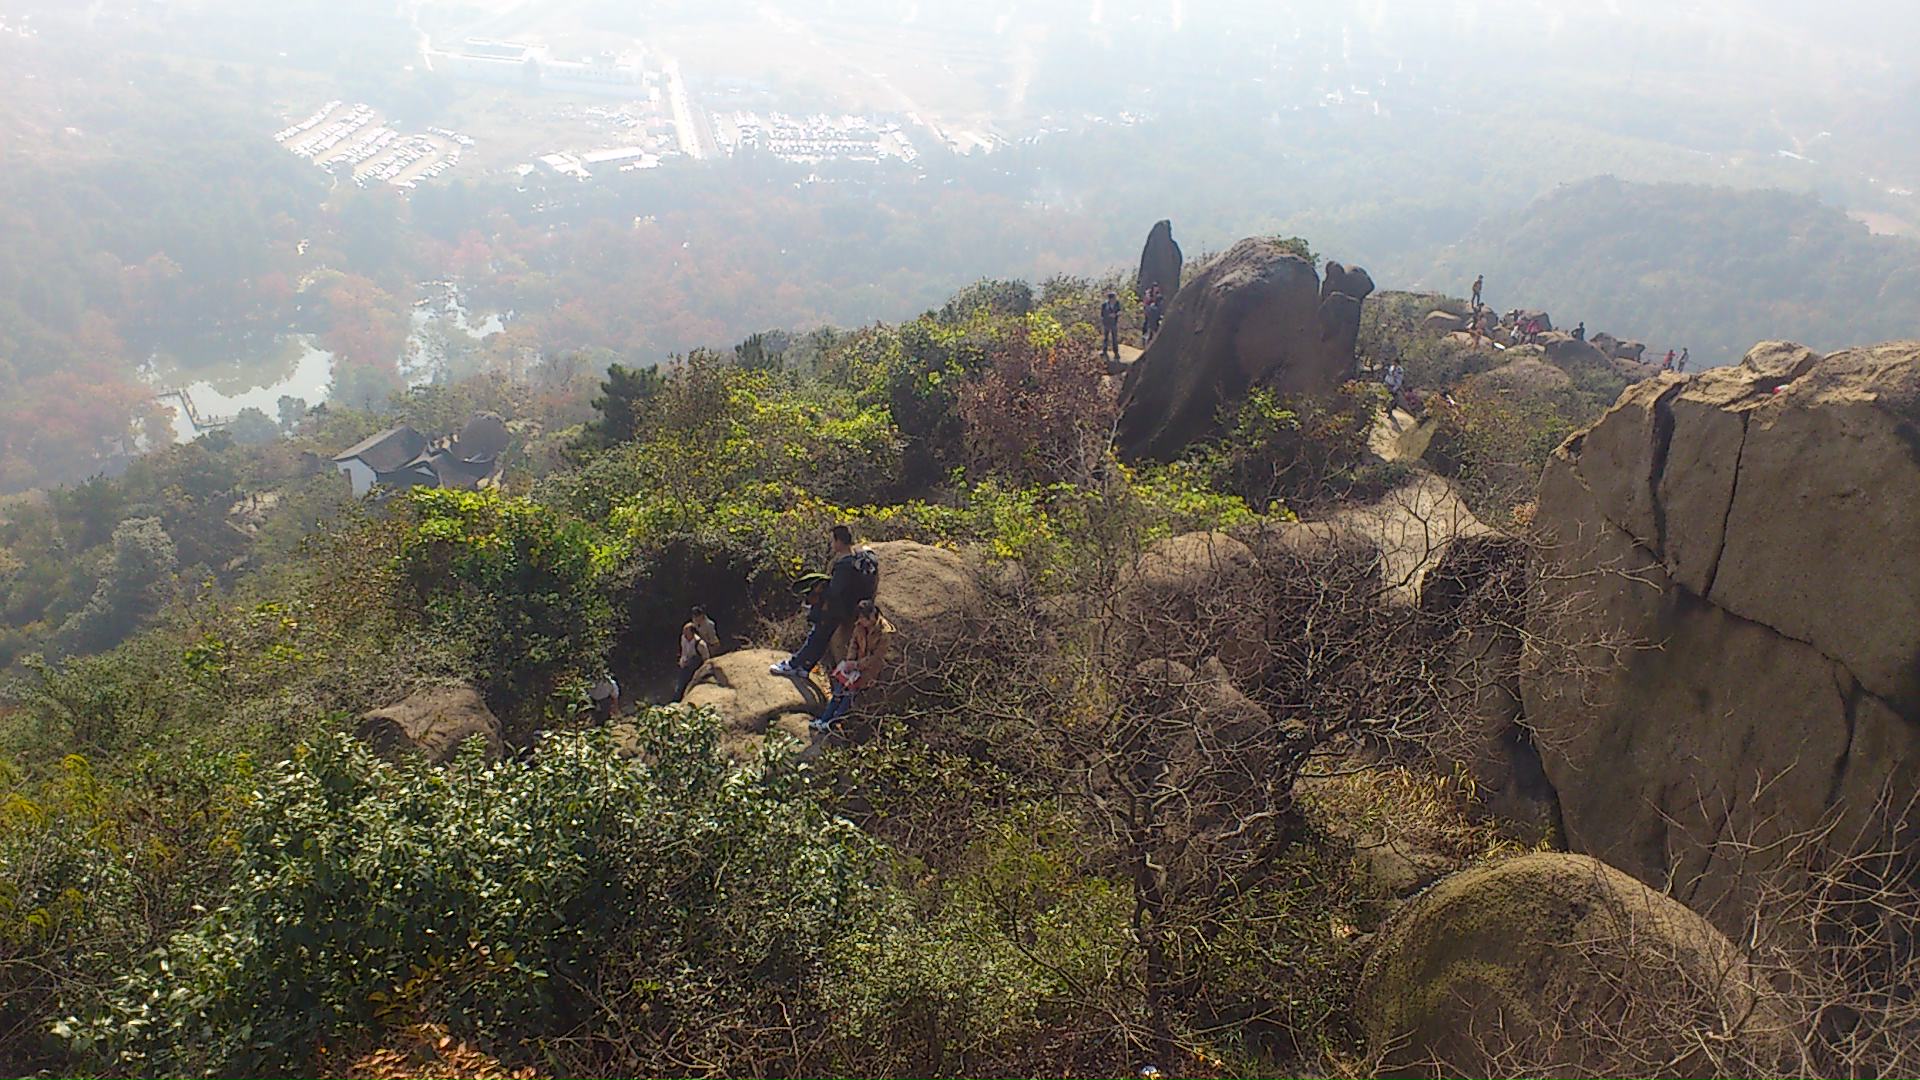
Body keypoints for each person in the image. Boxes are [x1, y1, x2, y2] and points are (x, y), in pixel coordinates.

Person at [771, 525, 879, 678]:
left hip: (835, 609)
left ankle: (793, 665)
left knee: (816, 636)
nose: (832, 545)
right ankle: (805, 668)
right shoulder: (856, 559)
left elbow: (835, 591)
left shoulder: (844, 565)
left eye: (833, 541)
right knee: (822, 639)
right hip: (847, 609)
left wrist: (820, 591)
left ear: (839, 541)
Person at [812, 599, 892, 733]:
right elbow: (853, 643)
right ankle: (824, 719)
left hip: (868, 670)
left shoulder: (884, 633)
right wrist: (850, 661)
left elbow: (877, 657)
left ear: (872, 616)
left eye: (863, 619)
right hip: (853, 665)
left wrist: (857, 665)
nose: (861, 622)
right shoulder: (860, 625)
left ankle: (832, 723)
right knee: (838, 691)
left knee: (848, 696)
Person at [673, 621, 710, 700]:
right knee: (680, 685)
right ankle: (676, 700)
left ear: (692, 633)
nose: (684, 633)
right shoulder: (683, 638)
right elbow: (684, 651)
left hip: (695, 665)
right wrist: (682, 661)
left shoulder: (700, 644)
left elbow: (706, 658)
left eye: (686, 631)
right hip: (685, 663)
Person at [1099, 290, 1122, 359]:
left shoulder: (1117, 303)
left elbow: (1119, 311)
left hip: (1114, 323)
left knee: (1114, 338)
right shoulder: (1105, 305)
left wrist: (1115, 314)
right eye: (1114, 298)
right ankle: (1104, 351)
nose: (1115, 299)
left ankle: (1116, 352)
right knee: (1106, 338)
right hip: (1106, 323)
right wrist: (1108, 316)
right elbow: (1102, 314)